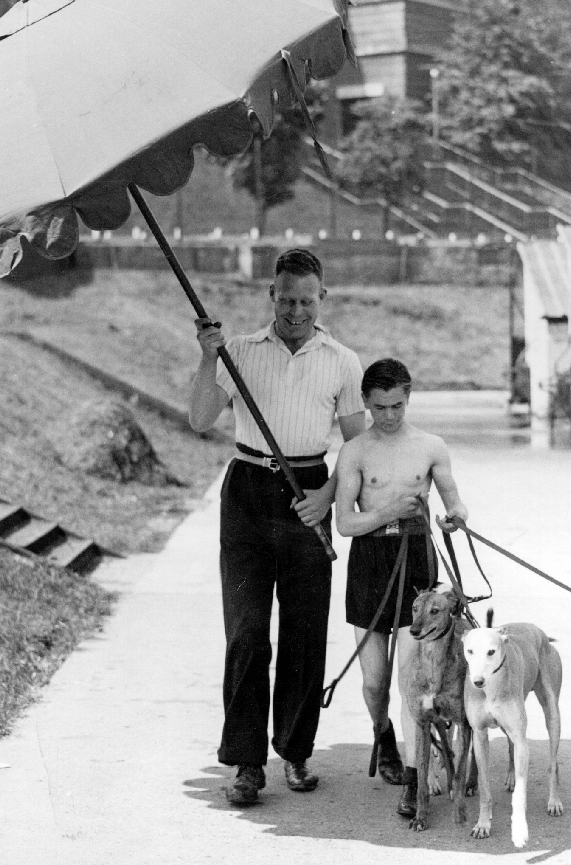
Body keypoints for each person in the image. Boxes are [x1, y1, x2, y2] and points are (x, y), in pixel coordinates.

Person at [189, 248, 365, 807]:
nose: (295, 311)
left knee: (305, 633)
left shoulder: (342, 361)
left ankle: (295, 751)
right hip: (246, 491)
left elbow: (359, 448)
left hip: (306, 492)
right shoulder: (238, 351)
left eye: (306, 300)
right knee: (245, 633)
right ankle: (246, 763)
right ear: (272, 296)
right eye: (286, 299)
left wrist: (327, 495)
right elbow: (198, 418)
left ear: (322, 300)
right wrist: (206, 357)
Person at [333, 357, 469, 818]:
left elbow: (452, 498)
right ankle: (382, 732)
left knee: (413, 680)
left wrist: (456, 516)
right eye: (378, 407)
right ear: (366, 404)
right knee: (375, 682)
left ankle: (413, 780)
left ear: (408, 398)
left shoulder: (430, 445)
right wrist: (388, 511)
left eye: (396, 405)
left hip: (417, 563)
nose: (388, 416)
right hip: (369, 562)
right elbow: (346, 523)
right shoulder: (354, 451)